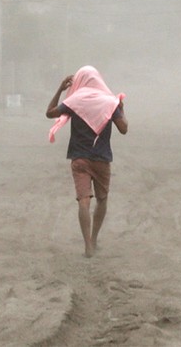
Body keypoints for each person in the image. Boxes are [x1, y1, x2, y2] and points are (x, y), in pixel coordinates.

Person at [46, 66, 128, 257]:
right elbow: (124, 129)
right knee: (102, 199)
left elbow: (50, 113)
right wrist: (122, 110)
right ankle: (94, 238)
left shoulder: (74, 100)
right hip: (101, 159)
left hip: (79, 159)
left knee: (83, 202)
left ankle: (87, 245)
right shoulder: (110, 102)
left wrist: (60, 89)